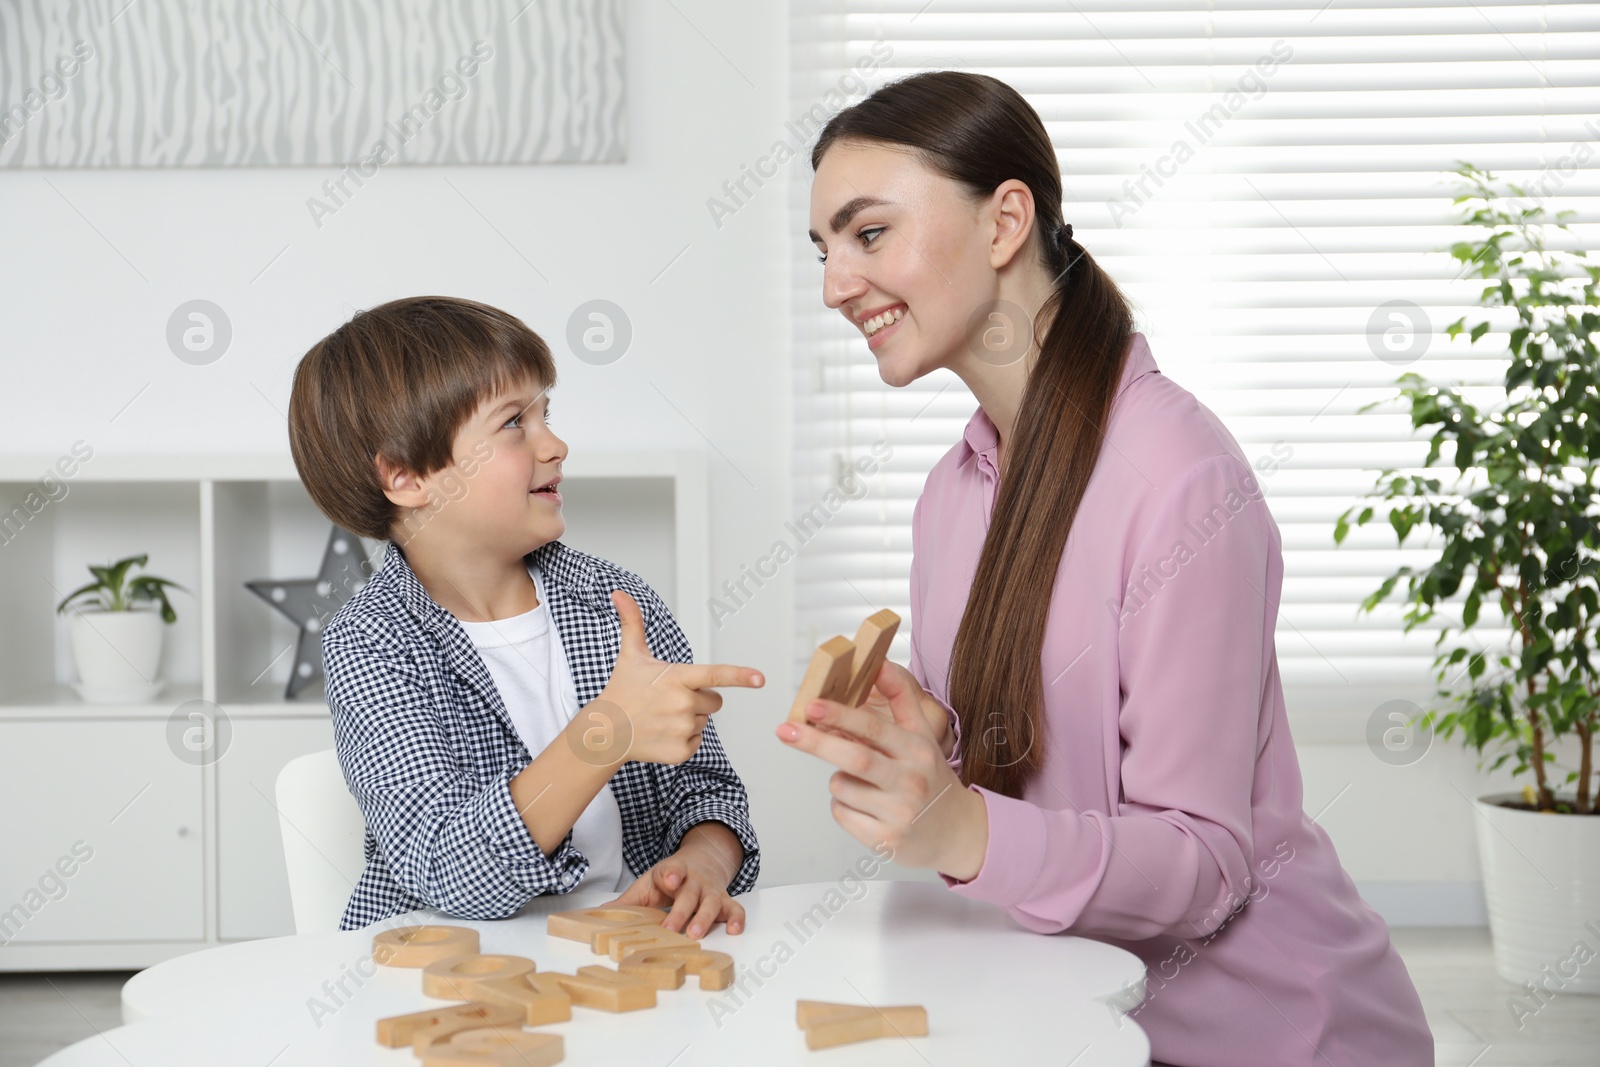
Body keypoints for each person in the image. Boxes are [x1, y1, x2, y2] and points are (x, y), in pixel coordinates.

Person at [779, 71, 1434, 1066]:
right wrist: (937, 748)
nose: (833, 283)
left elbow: (1204, 865)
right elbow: (1052, 791)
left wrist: (957, 826)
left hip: (1266, 1037)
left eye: (867, 234)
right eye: (822, 250)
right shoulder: (951, 495)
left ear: (1005, 221)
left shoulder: (1179, 475)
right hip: (1071, 1011)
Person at [288, 295, 764, 935]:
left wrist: (702, 862)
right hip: (455, 982)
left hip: (622, 959)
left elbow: (706, 791)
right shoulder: (373, 643)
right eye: (515, 423)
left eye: (548, 414)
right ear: (405, 478)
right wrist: (606, 732)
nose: (557, 444)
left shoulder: (615, 602)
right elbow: (444, 865)